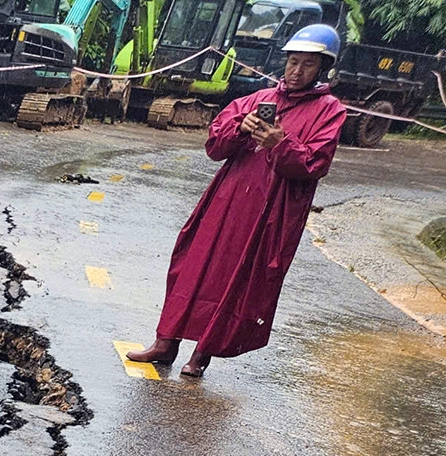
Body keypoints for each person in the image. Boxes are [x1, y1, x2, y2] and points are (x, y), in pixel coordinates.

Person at [124, 25, 349, 377]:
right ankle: (165, 342)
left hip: (272, 209)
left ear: (322, 68)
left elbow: (315, 164)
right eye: (293, 62)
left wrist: (280, 143)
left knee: (239, 277)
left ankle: (202, 353)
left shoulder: (329, 110)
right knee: (193, 263)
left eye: (307, 64)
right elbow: (215, 146)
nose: (297, 71)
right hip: (228, 198)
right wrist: (239, 128)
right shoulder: (256, 99)